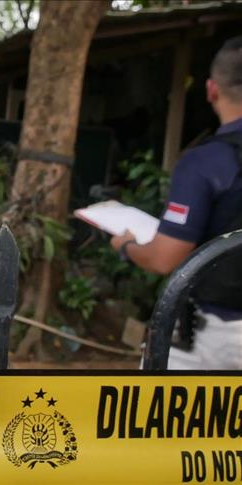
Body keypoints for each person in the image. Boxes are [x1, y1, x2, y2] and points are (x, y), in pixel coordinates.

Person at [110, 36, 242, 370]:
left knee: (152, 403)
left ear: (211, 90)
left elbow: (164, 258)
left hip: (214, 338)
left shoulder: (207, 161)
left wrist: (126, 246)